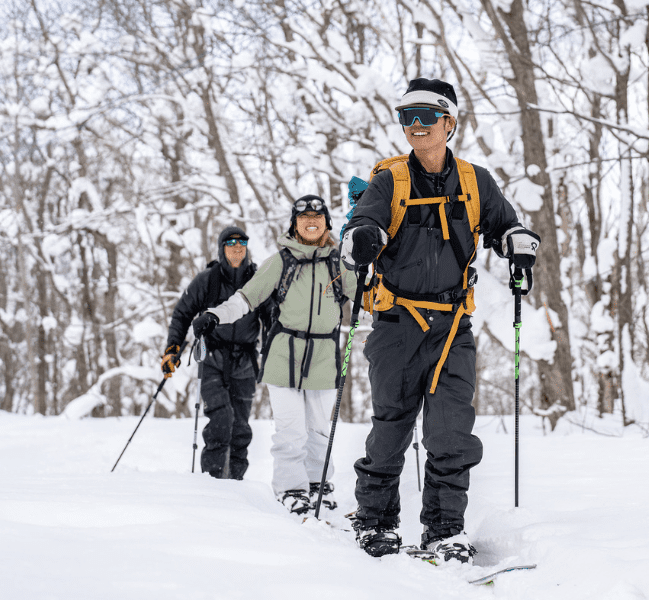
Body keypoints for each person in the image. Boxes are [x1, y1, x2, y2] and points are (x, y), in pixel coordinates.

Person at [339, 78, 541, 563]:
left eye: (426, 116)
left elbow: (505, 225)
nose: (415, 125)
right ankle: (375, 522)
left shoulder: (475, 181)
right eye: (406, 116)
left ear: (449, 123)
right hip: (397, 323)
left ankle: (445, 530)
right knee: (391, 426)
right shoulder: (390, 180)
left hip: (453, 325)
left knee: (451, 431)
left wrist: (517, 243)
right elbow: (364, 223)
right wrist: (362, 238)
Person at [199, 196, 357, 515]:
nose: (311, 221)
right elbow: (246, 298)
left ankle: (318, 485)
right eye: (303, 217)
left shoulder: (340, 263)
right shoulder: (281, 261)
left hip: (324, 355)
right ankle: (291, 488)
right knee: (291, 430)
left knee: (319, 429)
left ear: (327, 224)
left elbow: (369, 300)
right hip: (284, 354)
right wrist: (216, 315)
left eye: (317, 216)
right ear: (294, 224)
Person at [162, 226, 260, 480]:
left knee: (240, 428)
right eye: (231, 243)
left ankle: (236, 483)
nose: (237, 248)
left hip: (245, 362)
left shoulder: (257, 279)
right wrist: (172, 349)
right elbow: (182, 314)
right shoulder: (207, 279)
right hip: (213, 359)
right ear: (221, 248)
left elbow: (273, 316)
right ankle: (213, 483)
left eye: (242, 243)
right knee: (220, 421)